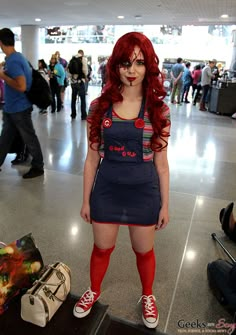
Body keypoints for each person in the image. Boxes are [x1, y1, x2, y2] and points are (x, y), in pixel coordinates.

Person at [73, 32, 171, 329]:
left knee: (144, 250)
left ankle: (148, 295)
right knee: (101, 248)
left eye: (140, 63)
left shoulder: (159, 110)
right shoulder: (98, 107)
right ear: (115, 65)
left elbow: (162, 164)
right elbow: (91, 159)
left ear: (149, 67)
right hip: (107, 189)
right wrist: (86, 199)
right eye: (126, 62)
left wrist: (165, 205)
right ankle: (93, 290)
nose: (132, 70)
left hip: (144, 191)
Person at [0, 28, 44, 178]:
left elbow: (21, 86)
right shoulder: (16, 57)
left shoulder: (13, 60)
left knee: (29, 138)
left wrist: (2, 76)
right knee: (5, 138)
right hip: (11, 108)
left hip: (19, 108)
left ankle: (38, 166)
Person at [68, 49, 88, 120]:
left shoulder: (72, 59)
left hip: (73, 82)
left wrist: (71, 78)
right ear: (82, 53)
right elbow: (85, 70)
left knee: (73, 99)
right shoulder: (83, 59)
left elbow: (69, 70)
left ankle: (73, 114)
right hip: (80, 81)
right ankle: (83, 115)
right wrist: (85, 77)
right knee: (83, 99)